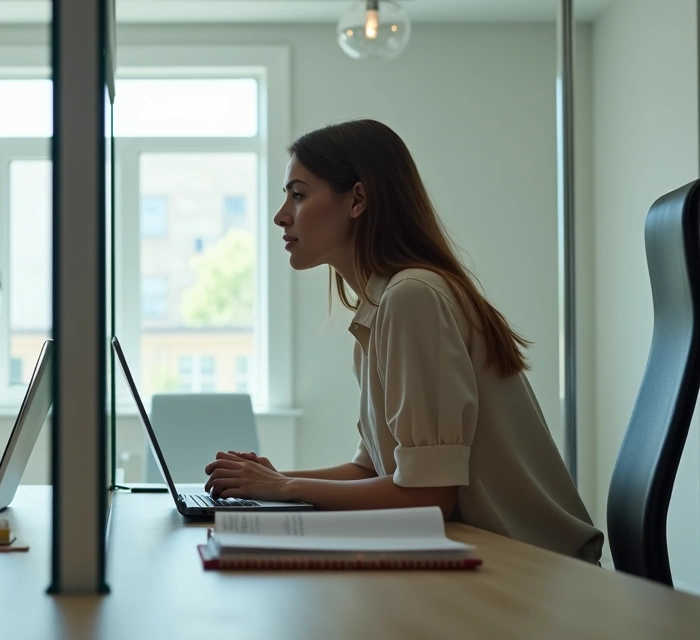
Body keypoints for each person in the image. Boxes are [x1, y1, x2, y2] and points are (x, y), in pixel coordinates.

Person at [203, 119, 603, 562]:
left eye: (297, 194)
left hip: (541, 571)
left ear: (357, 199)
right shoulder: (380, 310)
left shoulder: (413, 298)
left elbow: (427, 495)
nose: (281, 215)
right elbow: (373, 469)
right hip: (495, 557)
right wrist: (270, 483)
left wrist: (284, 488)